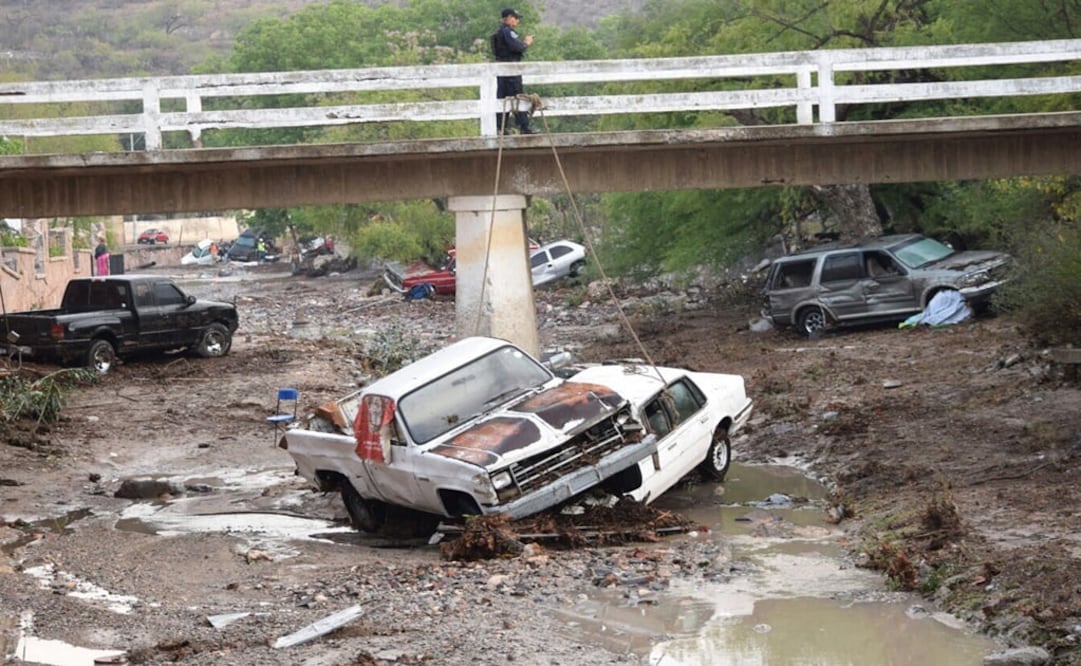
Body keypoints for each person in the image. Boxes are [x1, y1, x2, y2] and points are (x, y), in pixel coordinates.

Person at [491, 8, 535, 135]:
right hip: (511, 70)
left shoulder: (498, 32)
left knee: (503, 98)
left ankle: (500, 128)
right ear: (509, 18)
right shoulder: (507, 32)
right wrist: (526, 43)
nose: (517, 21)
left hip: (501, 69)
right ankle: (524, 127)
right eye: (516, 18)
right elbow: (518, 47)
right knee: (518, 97)